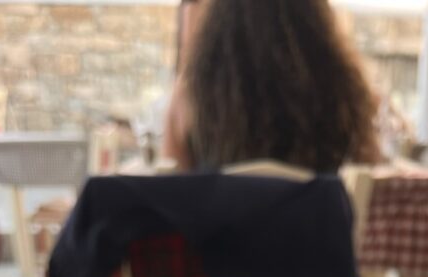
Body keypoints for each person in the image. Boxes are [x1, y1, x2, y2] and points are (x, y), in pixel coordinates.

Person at [162, 0, 381, 173]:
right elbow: (369, 169)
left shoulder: (190, 95)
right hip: (311, 229)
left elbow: (172, 188)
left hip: (219, 229)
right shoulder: (343, 91)